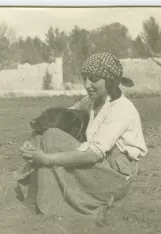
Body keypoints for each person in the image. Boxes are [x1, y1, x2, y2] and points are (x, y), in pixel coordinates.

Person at [19, 52, 148, 222]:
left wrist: (47, 158)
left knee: (50, 137)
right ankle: (33, 199)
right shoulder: (92, 101)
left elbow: (92, 154)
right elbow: (64, 116)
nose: (87, 84)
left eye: (94, 79)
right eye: (85, 78)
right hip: (100, 168)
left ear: (109, 81)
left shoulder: (120, 109)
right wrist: (34, 140)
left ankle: (57, 205)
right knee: (45, 131)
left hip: (116, 178)